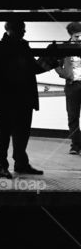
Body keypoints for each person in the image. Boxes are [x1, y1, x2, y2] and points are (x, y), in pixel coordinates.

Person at [0, 20, 52, 178]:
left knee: (7, 133)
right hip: (23, 96)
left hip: (8, 97)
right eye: (21, 29)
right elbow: (34, 69)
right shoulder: (22, 47)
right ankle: (19, 163)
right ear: (11, 30)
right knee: (19, 132)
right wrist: (49, 60)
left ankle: (3, 166)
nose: (24, 32)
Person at [50, 21, 81, 155]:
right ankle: (76, 145)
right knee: (72, 117)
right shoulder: (64, 48)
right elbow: (56, 64)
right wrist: (64, 74)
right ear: (70, 35)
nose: (79, 38)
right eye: (76, 36)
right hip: (72, 85)